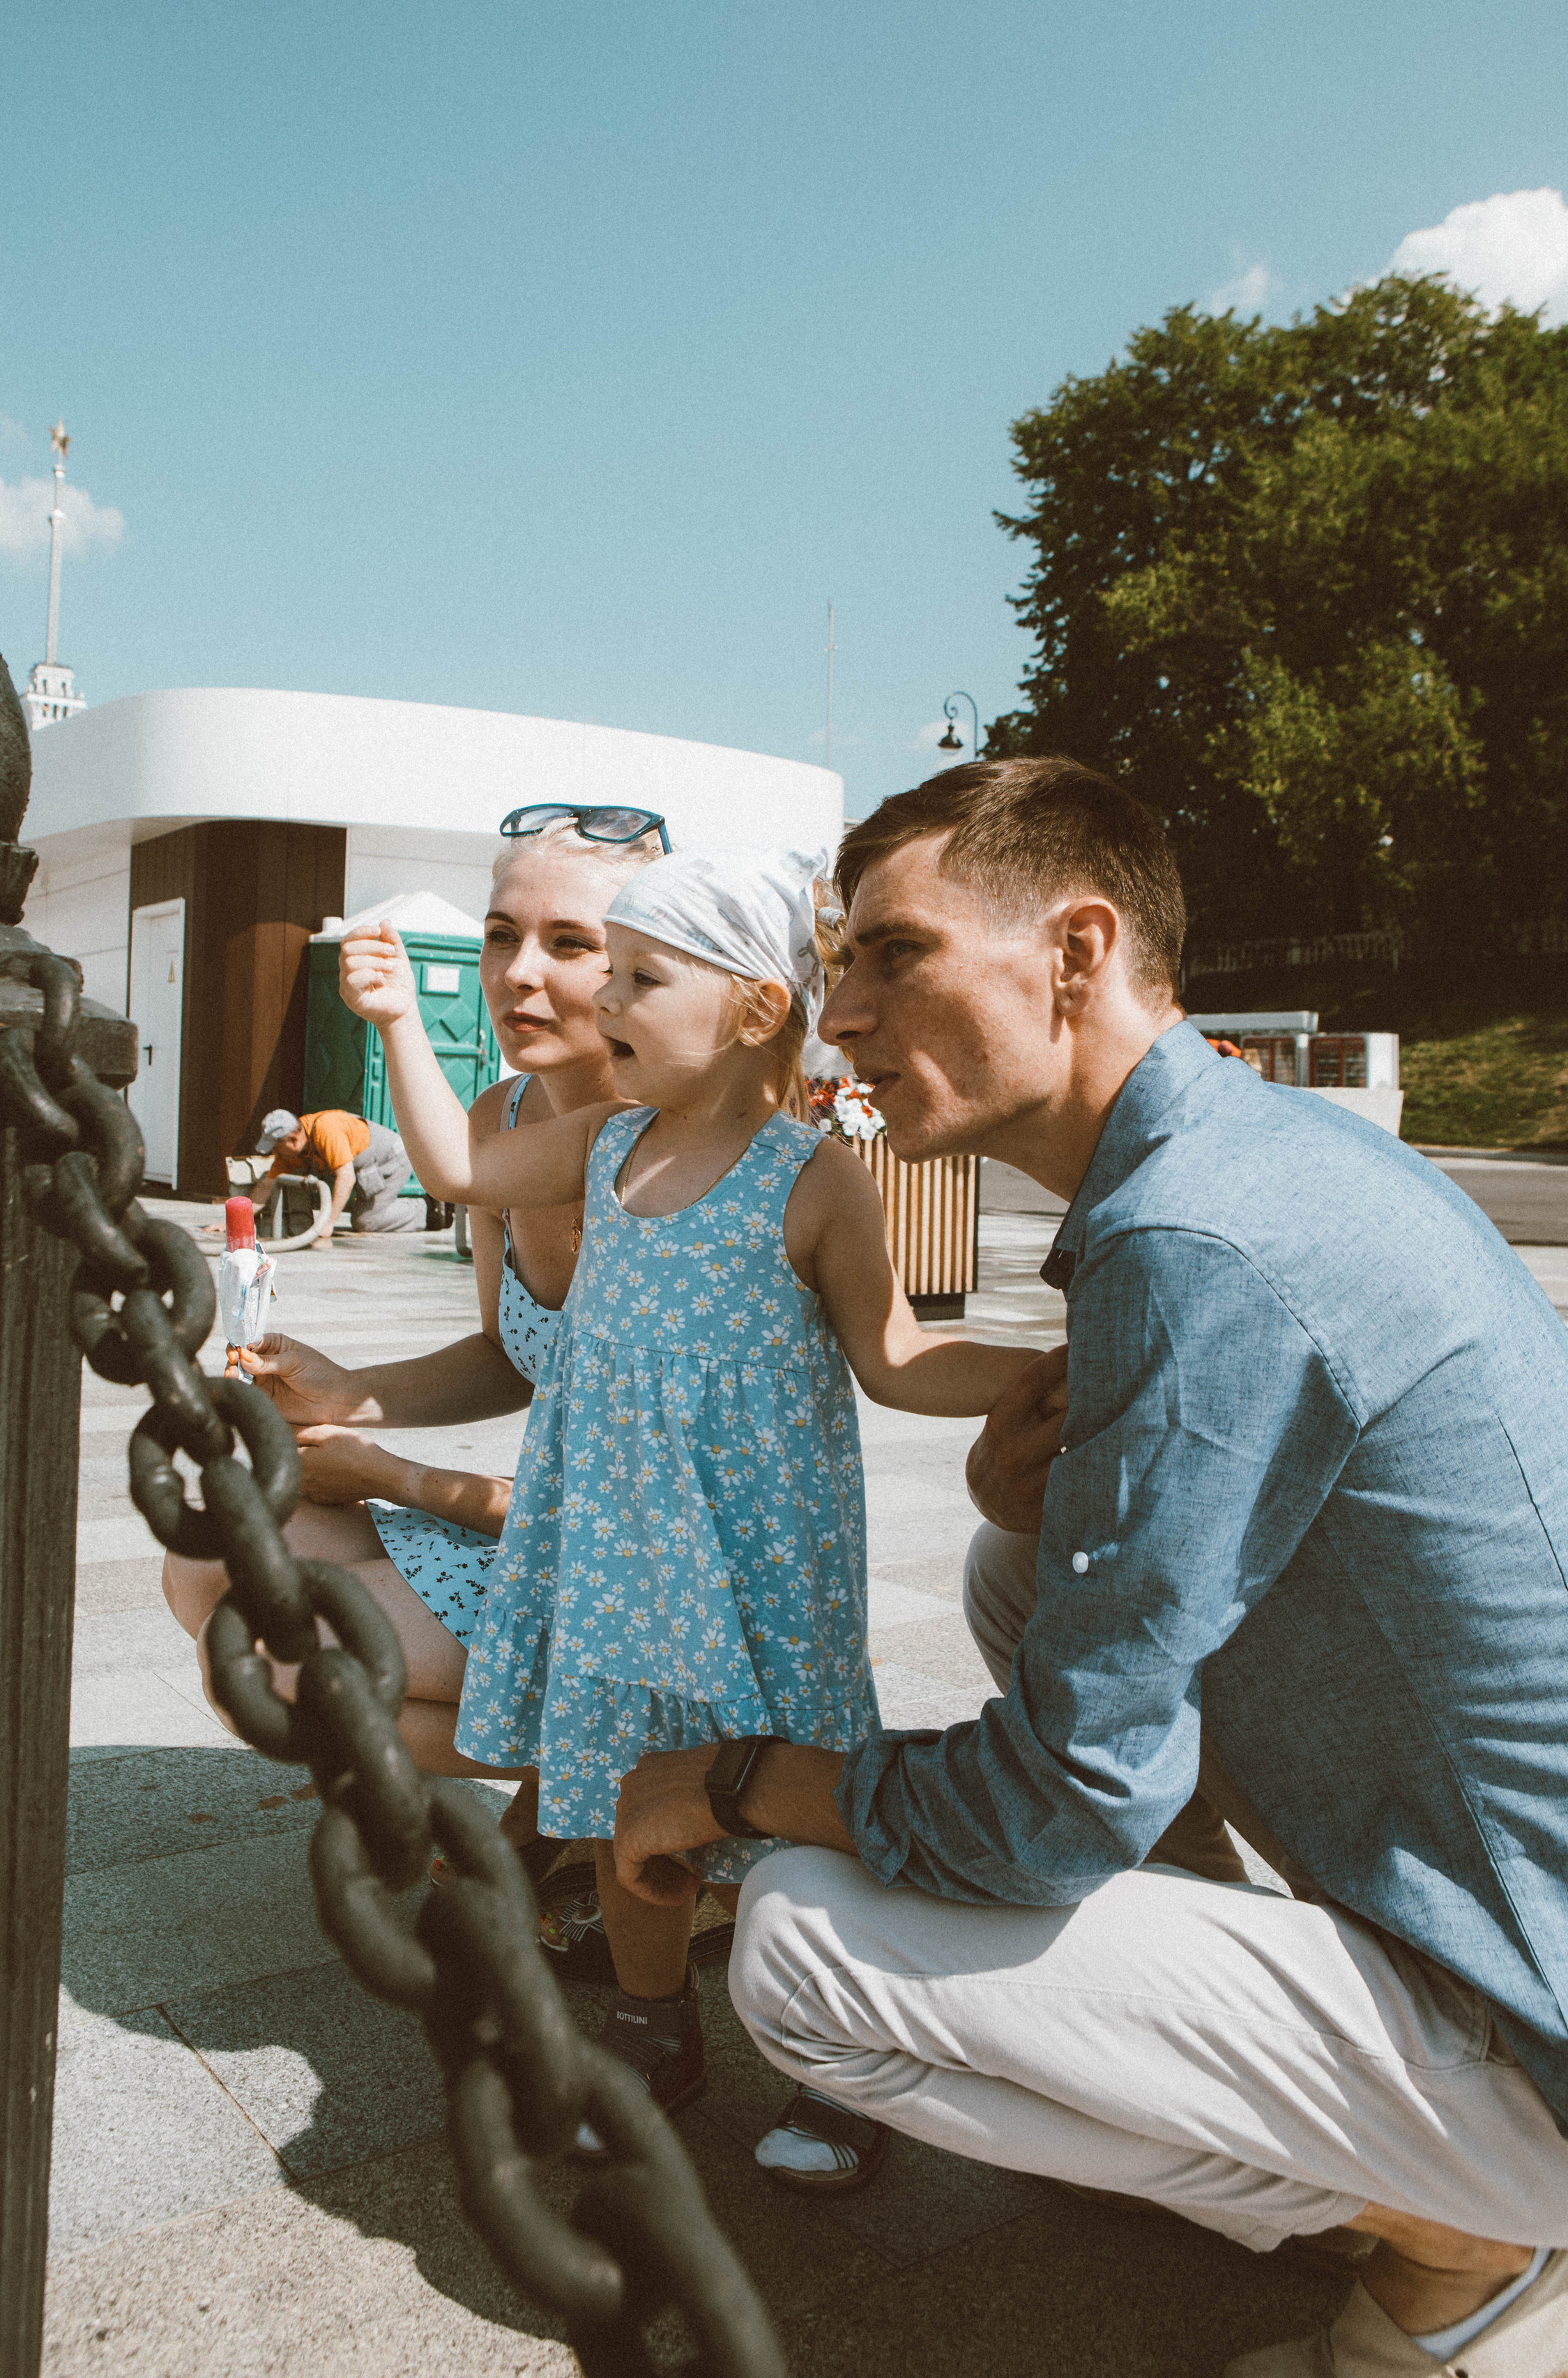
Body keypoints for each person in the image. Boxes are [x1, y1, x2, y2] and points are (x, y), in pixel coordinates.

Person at [611, 756, 1568, 2375]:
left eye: (890, 953)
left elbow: (1063, 1799)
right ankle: (1306, 2106)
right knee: (1009, 1561)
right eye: (838, 962)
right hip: (1503, 1908)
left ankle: (1456, 2236)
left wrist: (727, 1777)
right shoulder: (1236, 1165)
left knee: (795, 1945)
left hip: (1532, 2010)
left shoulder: (1191, 1236)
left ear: (1074, 950)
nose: (836, 1014)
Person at [340, 844, 1045, 2156]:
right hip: (613, 1561)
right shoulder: (602, 1147)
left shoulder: (810, 1179)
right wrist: (394, 1026)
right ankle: (655, 2029)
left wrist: (1067, 1363)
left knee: (784, 1800)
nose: (603, 1004)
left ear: (754, 1008)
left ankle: (842, 2067)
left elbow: (897, 1355)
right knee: (621, 1803)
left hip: (763, 1567)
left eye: (639, 980)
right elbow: (453, 1168)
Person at [162, 809, 664, 1843]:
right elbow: (505, 1353)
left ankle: (646, 1779)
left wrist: (393, 1474)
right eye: (500, 934)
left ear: (646, 967)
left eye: (569, 943)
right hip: (533, 1531)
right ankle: (579, 1789)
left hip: (648, 1592)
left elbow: (642, 1524)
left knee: (291, 1668)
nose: (519, 972)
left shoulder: (678, 1162)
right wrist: (346, 1391)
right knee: (209, 1555)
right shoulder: (501, 1121)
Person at [248, 1106, 416, 1242]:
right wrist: (239, 1218)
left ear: (293, 1139)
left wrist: (329, 1223)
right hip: (364, 1167)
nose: (274, 1152)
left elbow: (346, 1178)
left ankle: (427, 1211)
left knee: (366, 1222)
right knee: (360, 1213)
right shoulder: (290, 1151)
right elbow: (267, 1185)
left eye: (276, 1146)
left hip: (392, 1158)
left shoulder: (326, 1130)